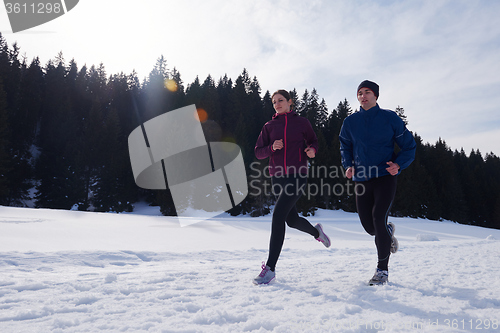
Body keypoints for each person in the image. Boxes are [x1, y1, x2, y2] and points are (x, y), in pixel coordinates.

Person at [339, 80, 416, 286]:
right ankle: (387, 232)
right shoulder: (350, 122)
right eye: (360, 93)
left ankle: (382, 270)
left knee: (378, 217)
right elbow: (345, 146)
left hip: (384, 176)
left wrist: (398, 165)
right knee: (369, 226)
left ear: (376, 96)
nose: (363, 96)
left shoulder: (389, 118)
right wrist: (348, 165)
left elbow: (409, 146)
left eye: (367, 92)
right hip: (362, 178)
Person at [253, 89, 331, 285]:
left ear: (290, 102)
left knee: (278, 215)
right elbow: (258, 152)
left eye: (280, 100)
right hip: (277, 176)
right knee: (292, 220)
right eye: (274, 102)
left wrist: (312, 150)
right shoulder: (269, 126)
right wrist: (272, 148)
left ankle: (270, 269)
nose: (277, 104)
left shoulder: (302, 122)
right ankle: (317, 232)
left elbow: (314, 141)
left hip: (297, 175)